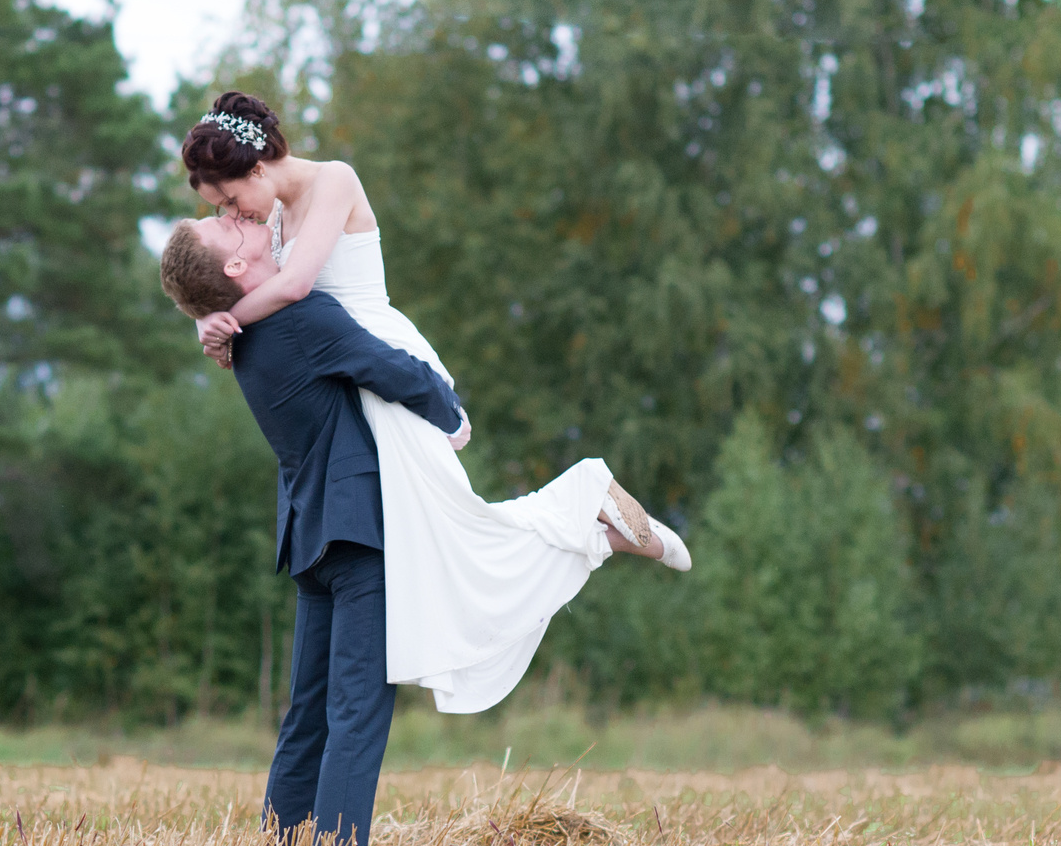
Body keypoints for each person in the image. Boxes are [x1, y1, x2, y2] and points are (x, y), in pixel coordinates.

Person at [179, 93, 689, 718]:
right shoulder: (275, 219)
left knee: (457, 526)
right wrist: (214, 322)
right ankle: (596, 523)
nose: (234, 212)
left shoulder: (334, 180)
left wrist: (221, 318)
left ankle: (589, 498)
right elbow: (264, 292)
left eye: (229, 201)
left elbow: (294, 287)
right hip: (345, 377)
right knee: (447, 534)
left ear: (255, 169)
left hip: (379, 363)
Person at [158, 213, 466, 846]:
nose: (237, 219)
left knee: (310, 714)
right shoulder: (300, 320)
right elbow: (393, 370)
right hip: (360, 536)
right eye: (224, 226)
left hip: (312, 536)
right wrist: (454, 411)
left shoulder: (243, 337)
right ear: (236, 268)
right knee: (356, 712)